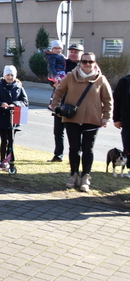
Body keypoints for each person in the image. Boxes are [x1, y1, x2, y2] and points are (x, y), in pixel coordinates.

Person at [50, 52, 113, 192]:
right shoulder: (70, 76)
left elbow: (108, 100)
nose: (87, 64)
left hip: (92, 119)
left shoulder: (101, 79)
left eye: (91, 62)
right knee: (74, 148)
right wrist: (55, 106)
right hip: (72, 118)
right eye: (84, 61)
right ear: (80, 63)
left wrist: (106, 117)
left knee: (87, 149)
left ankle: (86, 177)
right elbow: (58, 92)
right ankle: (74, 175)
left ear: (95, 63)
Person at [0, 65, 29, 168]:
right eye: (8, 75)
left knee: (11, 141)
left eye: (12, 75)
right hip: (2, 118)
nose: (10, 77)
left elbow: (25, 102)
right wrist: (1, 104)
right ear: (4, 76)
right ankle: (2, 160)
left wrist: (15, 104)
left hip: (15, 118)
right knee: (4, 140)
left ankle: (11, 161)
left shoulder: (19, 88)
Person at [50, 43, 83, 162]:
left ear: (81, 54)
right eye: (71, 52)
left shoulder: (83, 65)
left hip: (76, 104)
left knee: (74, 132)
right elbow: (51, 75)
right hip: (61, 102)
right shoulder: (63, 63)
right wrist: (53, 83)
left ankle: (75, 155)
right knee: (58, 131)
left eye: (76, 52)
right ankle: (58, 155)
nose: (73, 54)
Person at [114, 72, 130, 172]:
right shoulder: (125, 81)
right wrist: (116, 119)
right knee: (128, 146)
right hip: (128, 120)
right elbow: (117, 101)